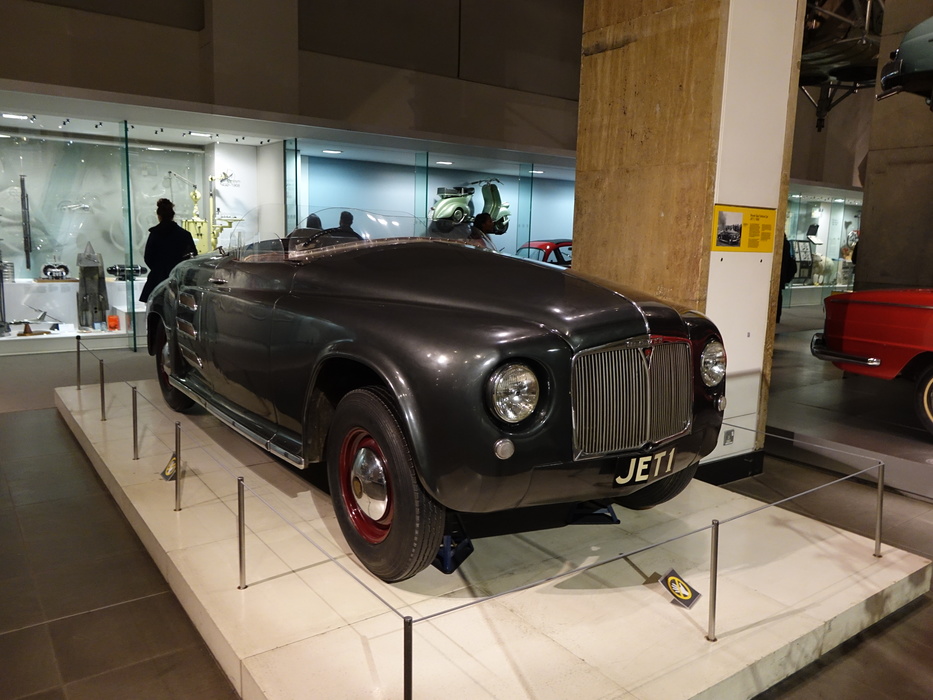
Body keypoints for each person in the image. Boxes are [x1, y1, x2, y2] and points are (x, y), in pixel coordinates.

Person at [139, 198, 198, 302]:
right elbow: (191, 258)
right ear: (173, 215)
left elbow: (148, 257)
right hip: (179, 281)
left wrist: (158, 269)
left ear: (159, 216)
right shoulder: (184, 235)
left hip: (157, 280)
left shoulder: (155, 234)